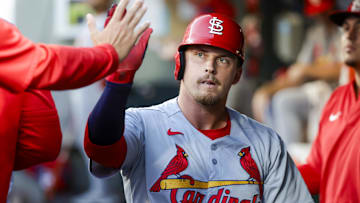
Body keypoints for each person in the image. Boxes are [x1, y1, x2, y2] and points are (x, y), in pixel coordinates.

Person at [84, 11, 314, 202]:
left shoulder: (267, 143)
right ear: (180, 64)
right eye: (200, 54)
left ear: (237, 74)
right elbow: (102, 156)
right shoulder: (142, 124)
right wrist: (118, 82)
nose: (210, 67)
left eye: (223, 59)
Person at [0, 0, 149, 201]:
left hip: (93, 95)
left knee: (97, 144)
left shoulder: (101, 24)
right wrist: (107, 55)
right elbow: (41, 65)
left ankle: (104, 193)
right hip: (82, 93)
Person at [251, 0, 342, 146]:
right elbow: (298, 71)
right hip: (312, 92)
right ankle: (283, 155)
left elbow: (342, 69)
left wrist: (307, 70)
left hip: (336, 93)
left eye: (324, 12)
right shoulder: (316, 32)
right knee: (277, 100)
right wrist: (267, 90)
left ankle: (292, 158)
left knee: (285, 101)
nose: (320, 16)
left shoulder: (345, 31)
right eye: (318, 13)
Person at [298, 0, 360, 202]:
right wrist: (274, 179)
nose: (349, 36)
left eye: (359, 28)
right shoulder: (337, 98)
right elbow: (318, 169)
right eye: (346, 28)